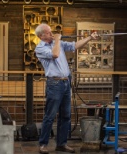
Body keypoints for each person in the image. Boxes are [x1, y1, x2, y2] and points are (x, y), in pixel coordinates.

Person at [34, 23, 98, 154]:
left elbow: (75, 45)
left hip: (65, 83)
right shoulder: (40, 48)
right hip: (54, 84)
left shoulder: (58, 43)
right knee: (50, 116)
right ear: (41, 36)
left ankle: (61, 144)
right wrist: (57, 40)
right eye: (48, 32)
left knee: (66, 116)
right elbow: (55, 54)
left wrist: (90, 38)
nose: (51, 34)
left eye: (51, 32)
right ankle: (43, 144)